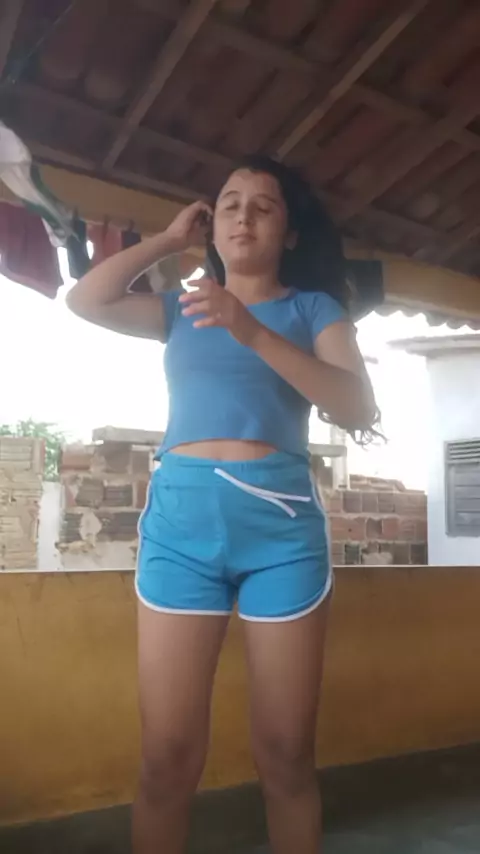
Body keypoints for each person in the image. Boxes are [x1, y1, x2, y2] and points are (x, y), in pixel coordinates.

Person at [67, 155, 377, 854]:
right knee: (165, 759)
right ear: (213, 225)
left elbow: (358, 406)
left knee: (287, 758)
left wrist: (251, 329)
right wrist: (169, 242)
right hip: (181, 530)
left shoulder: (313, 310)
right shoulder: (183, 307)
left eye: (263, 206)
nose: (243, 216)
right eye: (230, 204)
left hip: (281, 536)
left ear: (289, 233)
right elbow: (86, 300)